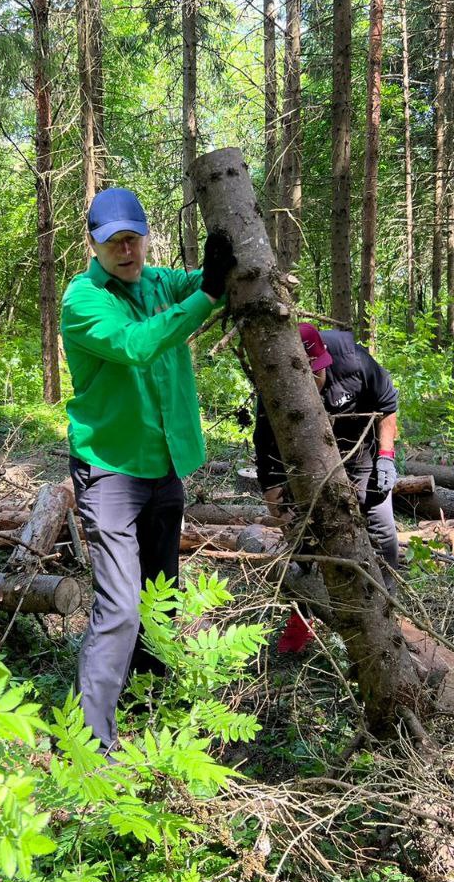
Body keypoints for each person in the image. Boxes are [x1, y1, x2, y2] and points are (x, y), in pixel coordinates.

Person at [61, 186, 235, 751]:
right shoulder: (83, 299)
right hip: (110, 469)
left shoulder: (159, 282)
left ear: (145, 236)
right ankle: (89, 743)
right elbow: (136, 344)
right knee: (120, 606)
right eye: (113, 242)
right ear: (93, 244)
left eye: (133, 238)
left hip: (164, 465)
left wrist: (226, 264)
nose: (126, 250)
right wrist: (207, 295)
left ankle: (149, 696)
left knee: (161, 593)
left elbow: (207, 284)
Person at [252, 323, 402, 652]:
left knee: (383, 533)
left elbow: (387, 406)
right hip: (306, 467)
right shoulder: (275, 394)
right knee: (305, 548)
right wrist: (286, 521)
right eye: (308, 376)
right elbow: (267, 466)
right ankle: (302, 620)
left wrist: (386, 457)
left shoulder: (354, 361)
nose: (316, 380)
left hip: (360, 453)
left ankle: (388, 611)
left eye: (319, 372)